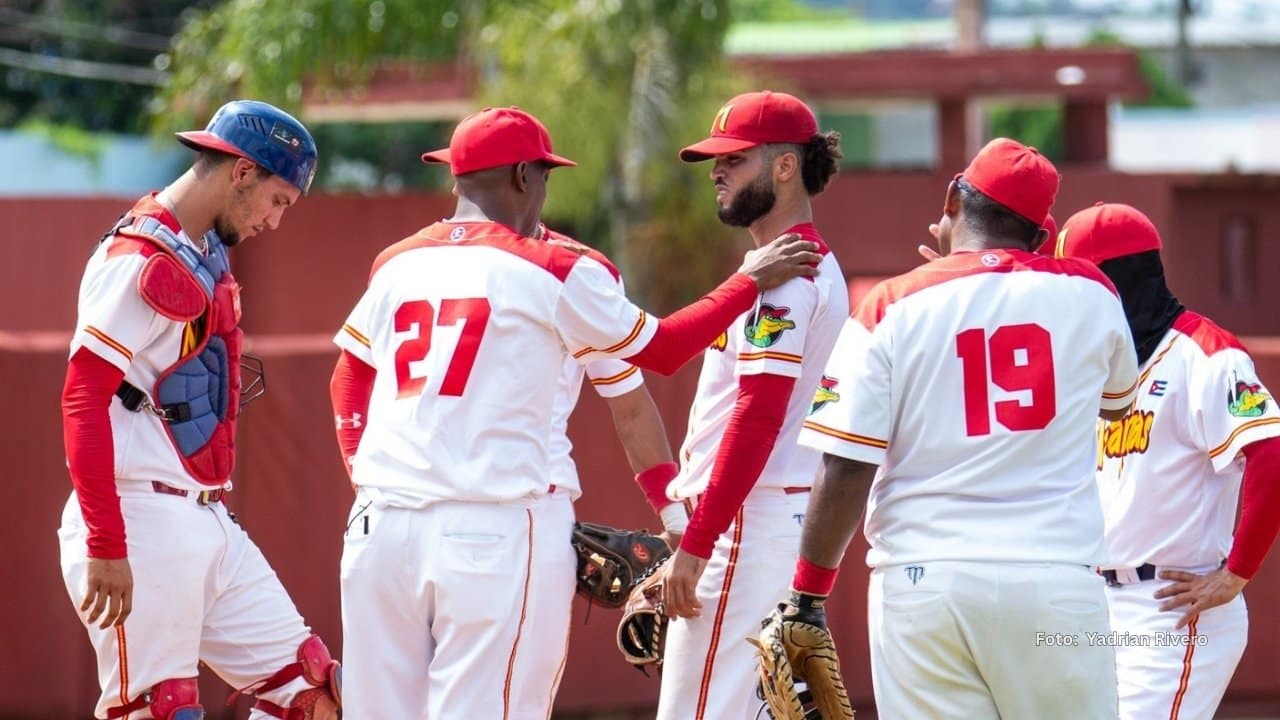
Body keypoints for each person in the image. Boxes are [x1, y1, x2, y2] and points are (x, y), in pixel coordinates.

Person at [326, 105, 820, 719]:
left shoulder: (396, 261)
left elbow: (348, 376)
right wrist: (748, 281)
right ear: (525, 178)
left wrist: (365, 476)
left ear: (456, 178)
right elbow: (661, 354)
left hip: (379, 531)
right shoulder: (561, 269)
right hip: (495, 529)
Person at [788, 138, 1140, 719]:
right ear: (1039, 236)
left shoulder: (890, 304)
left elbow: (847, 465)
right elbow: (1117, 406)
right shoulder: (1091, 291)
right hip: (1054, 581)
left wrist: (807, 594)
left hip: (923, 584)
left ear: (954, 196)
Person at [58, 100, 340, 719]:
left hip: (207, 520)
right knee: (163, 710)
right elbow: (82, 400)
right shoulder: (138, 258)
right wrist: (107, 541)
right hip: (138, 517)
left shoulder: (203, 247)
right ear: (241, 172)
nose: (275, 219)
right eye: (278, 200)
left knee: (312, 696)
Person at [650, 90, 849, 720]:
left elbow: (757, 417)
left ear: (784, 166)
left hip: (745, 520)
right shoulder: (776, 267)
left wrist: (699, 543)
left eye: (734, 159)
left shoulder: (790, 271)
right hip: (761, 515)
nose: (716, 170)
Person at [1054, 202, 1280, 720]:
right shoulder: (1102, 362)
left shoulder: (1205, 355)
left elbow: (1270, 453)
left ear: (1114, 281)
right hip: (1096, 604)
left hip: (1170, 609)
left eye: (1082, 280)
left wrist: (1237, 573)